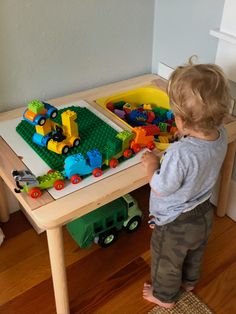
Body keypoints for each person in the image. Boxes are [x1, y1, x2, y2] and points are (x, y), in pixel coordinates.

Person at [141, 60, 231, 309]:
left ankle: (164, 296)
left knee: (166, 260)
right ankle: (190, 282)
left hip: (175, 222)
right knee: (195, 251)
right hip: (203, 213)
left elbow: (161, 186)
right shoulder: (221, 134)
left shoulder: (182, 153)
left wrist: (151, 164)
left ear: (180, 121)